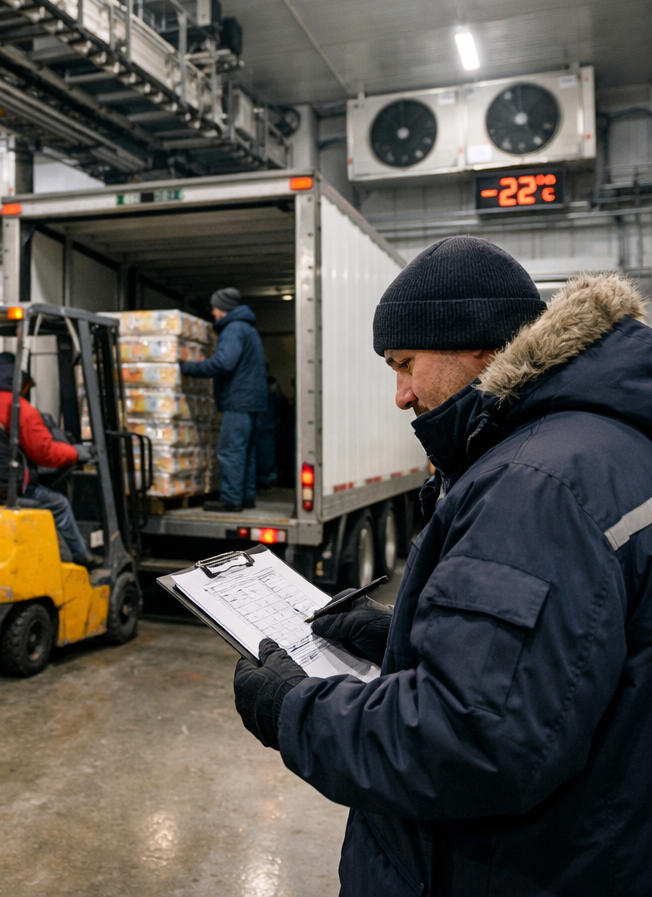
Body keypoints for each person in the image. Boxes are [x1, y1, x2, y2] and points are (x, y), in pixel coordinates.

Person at [232, 236, 652, 896]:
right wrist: (407, 631)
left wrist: (292, 709)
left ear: (480, 347)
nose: (400, 395)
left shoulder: (533, 484)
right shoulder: (601, 445)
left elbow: (473, 743)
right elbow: (570, 649)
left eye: (405, 364)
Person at [0, 352, 99, 568]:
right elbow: (45, 453)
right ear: (19, 381)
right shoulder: (18, 408)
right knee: (59, 503)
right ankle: (82, 556)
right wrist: (77, 453)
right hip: (1, 489)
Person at [180, 287, 268, 512]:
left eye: (215, 307)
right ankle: (245, 497)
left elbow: (223, 363)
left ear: (224, 308)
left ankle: (230, 499)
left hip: (238, 401)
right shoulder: (247, 329)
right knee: (246, 451)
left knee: (231, 450)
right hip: (253, 402)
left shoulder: (233, 328)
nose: (213, 312)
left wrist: (187, 367)